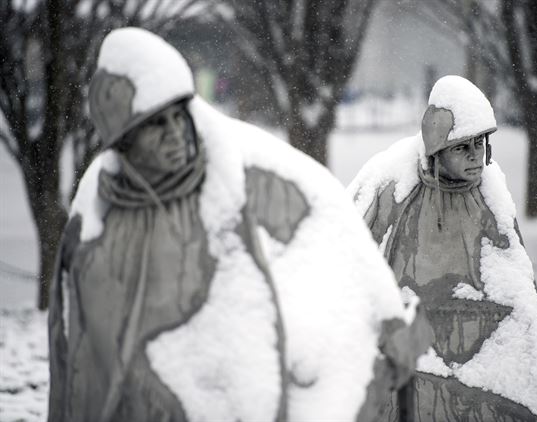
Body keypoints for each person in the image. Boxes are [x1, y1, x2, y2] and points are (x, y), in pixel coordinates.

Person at [47, 27, 429, 422]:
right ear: (124, 141)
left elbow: (331, 228)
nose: (177, 133)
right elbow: (75, 354)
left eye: (180, 117)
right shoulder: (96, 219)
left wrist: (386, 320)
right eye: (157, 125)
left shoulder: (243, 172)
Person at [348, 75, 537, 421]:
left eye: (479, 145)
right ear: (437, 149)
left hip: (475, 336)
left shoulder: (489, 194)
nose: (474, 157)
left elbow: (513, 282)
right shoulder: (395, 184)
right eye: (461, 147)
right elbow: (350, 244)